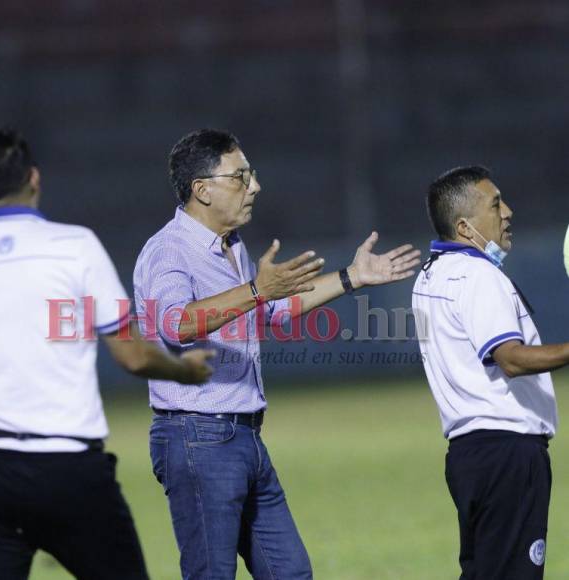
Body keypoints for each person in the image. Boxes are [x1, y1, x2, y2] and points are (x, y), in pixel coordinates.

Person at [133, 128, 421, 579]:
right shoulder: (169, 250)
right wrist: (254, 290)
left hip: (243, 437)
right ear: (202, 190)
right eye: (241, 176)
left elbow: (269, 312)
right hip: (198, 438)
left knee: (291, 574)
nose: (255, 186)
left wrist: (352, 277)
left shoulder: (231, 248)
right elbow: (176, 325)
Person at [0, 126, 214, 580]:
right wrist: (183, 369)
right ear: (35, 178)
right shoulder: (75, 247)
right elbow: (133, 356)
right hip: (68, 469)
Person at [412, 166, 560, 579]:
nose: (508, 212)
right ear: (464, 226)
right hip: (508, 453)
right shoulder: (479, 274)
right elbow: (511, 359)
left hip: (469, 455)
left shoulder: (431, 275)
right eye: (496, 204)